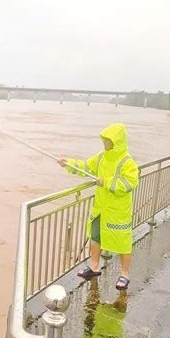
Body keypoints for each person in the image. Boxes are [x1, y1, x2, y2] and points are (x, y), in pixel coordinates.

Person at [58, 123, 139, 290]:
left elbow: (130, 183)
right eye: (104, 139)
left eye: (108, 140)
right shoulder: (102, 157)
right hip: (100, 208)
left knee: (123, 242)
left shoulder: (127, 161)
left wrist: (106, 182)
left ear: (116, 141)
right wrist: (69, 164)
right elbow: (86, 167)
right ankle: (94, 266)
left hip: (117, 211)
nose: (105, 143)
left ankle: (125, 274)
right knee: (95, 237)